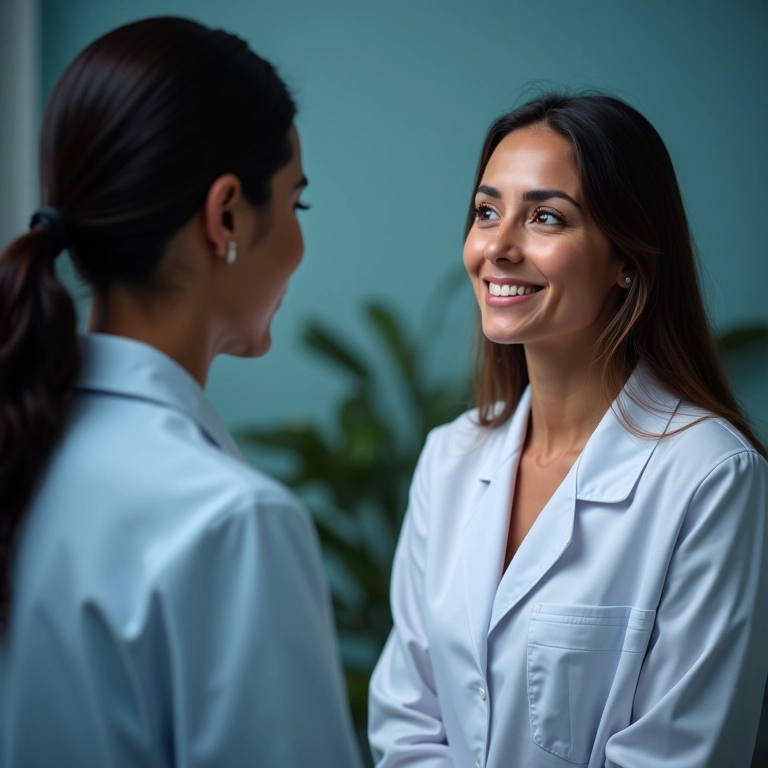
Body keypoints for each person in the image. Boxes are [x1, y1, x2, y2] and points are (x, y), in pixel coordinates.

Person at [0, 17, 362, 768]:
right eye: (296, 204)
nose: (299, 242)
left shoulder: (20, 443)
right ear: (225, 215)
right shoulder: (231, 523)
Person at [368, 93, 768, 767]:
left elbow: (680, 755)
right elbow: (406, 723)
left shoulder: (711, 476)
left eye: (545, 217)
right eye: (487, 212)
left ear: (627, 259)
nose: (497, 247)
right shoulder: (449, 457)